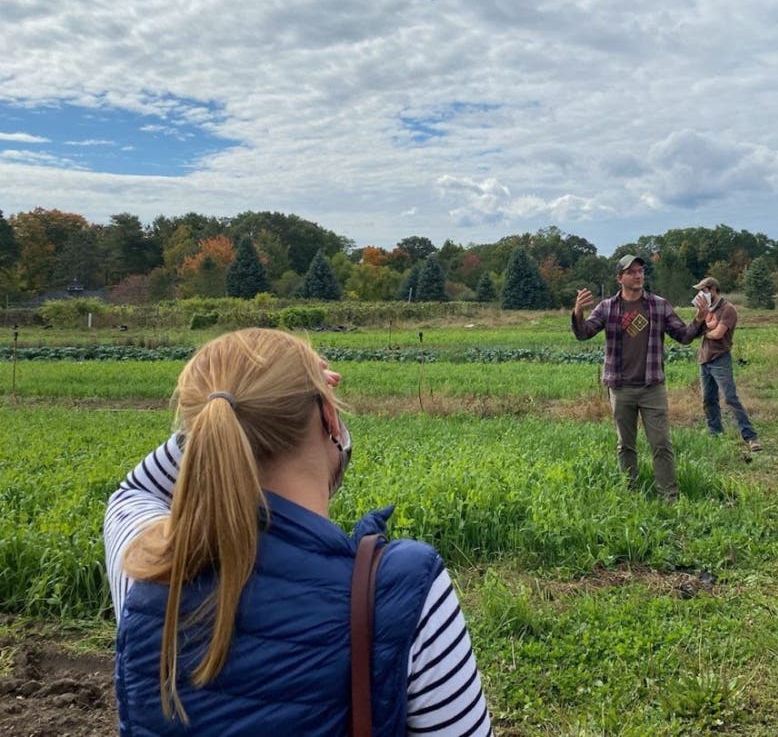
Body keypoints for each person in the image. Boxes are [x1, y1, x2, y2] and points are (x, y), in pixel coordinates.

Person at [103, 328, 492, 736]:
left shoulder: (146, 571)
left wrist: (224, 410)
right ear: (328, 416)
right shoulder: (404, 593)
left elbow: (135, 492)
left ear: (198, 436)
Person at [572, 254, 706, 500]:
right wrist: (578, 312)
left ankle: (669, 496)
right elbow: (584, 333)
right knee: (626, 445)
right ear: (619, 278)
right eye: (632, 271)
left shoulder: (658, 305)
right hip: (620, 387)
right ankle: (630, 492)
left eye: (641, 271)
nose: (638, 275)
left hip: (651, 386)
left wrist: (699, 318)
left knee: (662, 444)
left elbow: (684, 336)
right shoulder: (607, 307)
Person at [692, 275, 760, 452]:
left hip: (720, 358)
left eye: (704, 290)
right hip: (704, 358)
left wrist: (706, 330)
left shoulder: (728, 309)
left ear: (713, 290)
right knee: (708, 399)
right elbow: (694, 329)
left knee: (730, 397)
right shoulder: (706, 310)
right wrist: (706, 324)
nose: (701, 293)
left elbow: (718, 334)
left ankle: (750, 436)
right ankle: (715, 434)